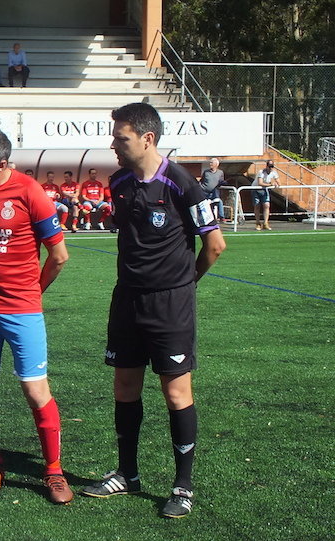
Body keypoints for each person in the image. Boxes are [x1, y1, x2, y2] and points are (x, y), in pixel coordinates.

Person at [80, 102, 226, 519]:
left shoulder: (182, 183)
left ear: (147, 139)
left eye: (121, 138)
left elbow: (215, 245)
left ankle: (183, 486)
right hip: (127, 299)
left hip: (170, 304)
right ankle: (127, 474)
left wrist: (185, 283)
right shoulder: (119, 182)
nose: (114, 145)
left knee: (175, 392)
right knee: (124, 387)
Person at [0, 128, 73, 503]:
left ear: (2, 164)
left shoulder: (29, 192)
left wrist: (32, 292)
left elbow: (59, 256)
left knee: (35, 390)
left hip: (22, 310)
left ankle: (53, 471)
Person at [253, 159, 279, 230]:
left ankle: (265, 223)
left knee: (267, 205)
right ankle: (258, 223)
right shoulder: (261, 172)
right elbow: (260, 183)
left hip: (265, 190)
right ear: (266, 166)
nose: (271, 168)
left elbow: (278, 181)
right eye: (269, 166)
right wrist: (270, 184)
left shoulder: (274, 172)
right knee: (257, 205)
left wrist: (276, 183)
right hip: (256, 189)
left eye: (272, 166)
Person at [199, 158, 227, 223]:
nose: (210, 164)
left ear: (216, 164)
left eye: (212, 163)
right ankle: (208, 219)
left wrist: (223, 183)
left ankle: (222, 217)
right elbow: (201, 180)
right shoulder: (206, 172)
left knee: (219, 202)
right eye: (210, 162)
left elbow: (221, 181)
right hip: (205, 192)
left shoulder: (220, 172)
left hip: (214, 193)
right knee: (206, 205)